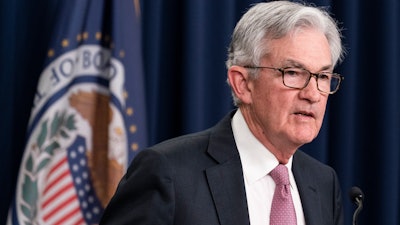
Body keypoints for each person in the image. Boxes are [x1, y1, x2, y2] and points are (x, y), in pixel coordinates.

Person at [100, 1, 345, 225]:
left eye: (323, 77)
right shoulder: (168, 174)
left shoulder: (323, 183)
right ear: (243, 83)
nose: (313, 94)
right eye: (292, 73)